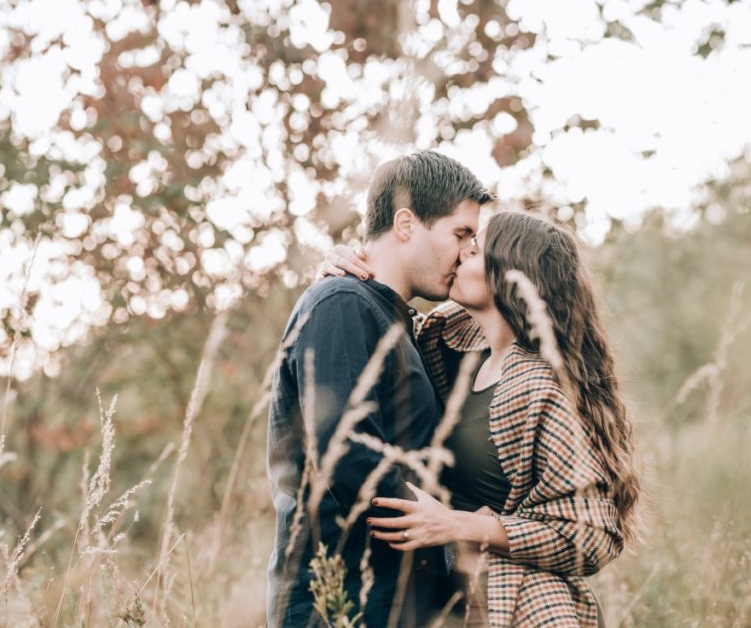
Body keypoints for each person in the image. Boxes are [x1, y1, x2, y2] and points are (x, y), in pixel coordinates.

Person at [323, 211, 641, 627]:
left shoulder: (541, 386)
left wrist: (456, 523)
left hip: (524, 606)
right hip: (455, 599)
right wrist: (345, 273)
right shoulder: (450, 345)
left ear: (509, 277)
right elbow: (378, 321)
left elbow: (595, 535)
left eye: (472, 251)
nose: (457, 257)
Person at [266, 151, 493, 627]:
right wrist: (451, 532)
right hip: (340, 600)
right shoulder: (342, 302)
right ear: (406, 223)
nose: (468, 251)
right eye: (460, 233)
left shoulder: (403, 323)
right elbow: (344, 452)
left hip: (389, 601)